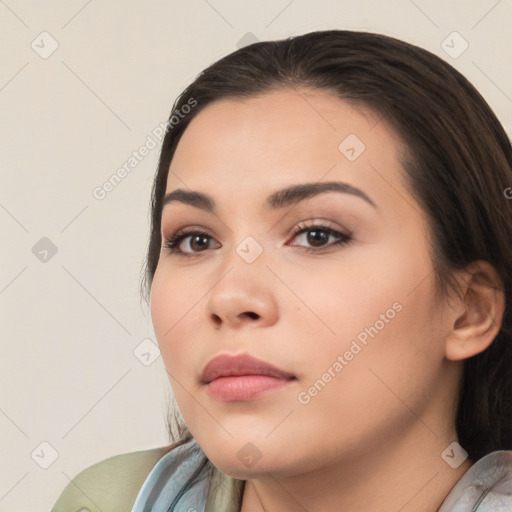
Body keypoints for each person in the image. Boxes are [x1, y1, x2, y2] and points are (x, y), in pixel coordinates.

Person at [52, 29, 512, 512]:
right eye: (196, 240)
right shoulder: (108, 501)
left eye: (317, 235)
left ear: (471, 311)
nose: (229, 297)